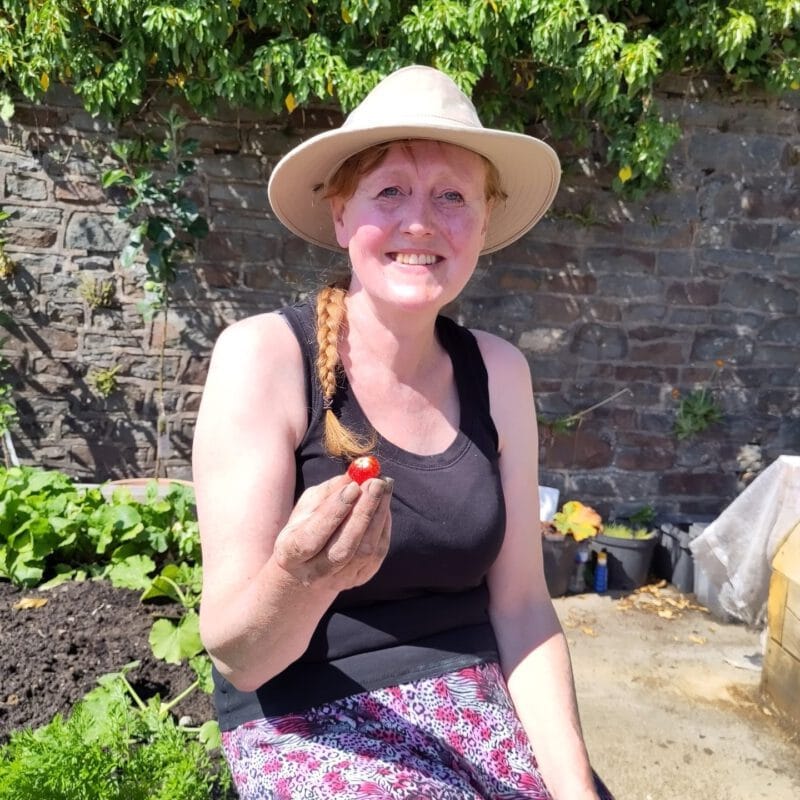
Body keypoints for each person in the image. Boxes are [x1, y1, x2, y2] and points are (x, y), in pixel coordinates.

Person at [193, 65, 614, 800]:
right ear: (340, 214)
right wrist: (301, 577)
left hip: (475, 700)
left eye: (453, 196)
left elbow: (521, 607)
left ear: (483, 221)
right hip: (309, 716)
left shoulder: (500, 372)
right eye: (389, 191)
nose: (420, 221)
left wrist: (577, 791)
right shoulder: (265, 357)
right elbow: (239, 658)